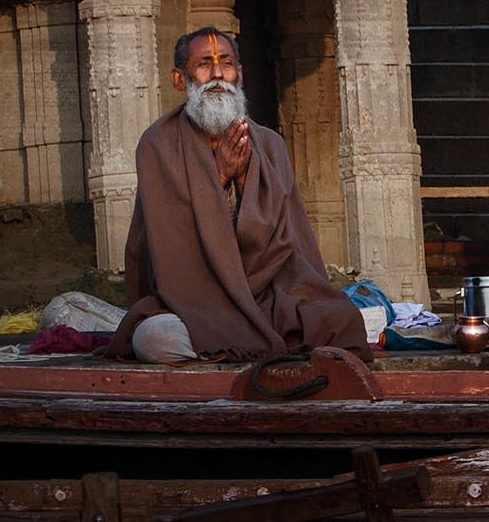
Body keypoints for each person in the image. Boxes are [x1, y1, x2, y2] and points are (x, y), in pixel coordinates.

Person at [108, 26, 368, 363]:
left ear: (239, 74)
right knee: (155, 338)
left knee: (344, 320)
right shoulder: (157, 144)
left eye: (226, 63)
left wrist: (245, 181)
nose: (218, 74)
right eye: (204, 64)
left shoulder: (269, 144)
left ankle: (241, 346)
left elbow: (287, 244)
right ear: (179, 79)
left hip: (268, 294)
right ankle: (238, 355)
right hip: (193, 300)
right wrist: (219, 176)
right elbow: (171, 250)